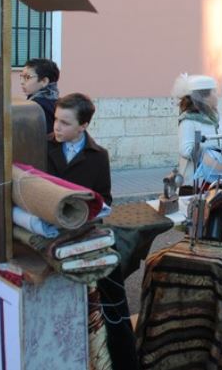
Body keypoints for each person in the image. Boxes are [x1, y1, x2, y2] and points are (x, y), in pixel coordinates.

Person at [45, 93, 138, 370]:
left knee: (94, 304)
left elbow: (105, 197)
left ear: (83, 126)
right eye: (56, 120)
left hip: (82, 237)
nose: (57, 127)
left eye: (65, 122)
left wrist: (90, 210)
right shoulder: (42, 146)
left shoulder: (99, 157)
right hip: (48, 235)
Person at [173, 73, 222, 186]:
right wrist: (207, 154)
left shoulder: (215, 117)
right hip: (197, 180)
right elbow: (186, 150)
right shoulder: (189, 121)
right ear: (204, 98)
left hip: (216, 176)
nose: (217, 95)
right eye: (214, 92)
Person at [20, 58, 60, 135]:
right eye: (21, 77)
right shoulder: (53, 99)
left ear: (44, 81)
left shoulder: (38, 106)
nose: (22, 82)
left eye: (27, 77)